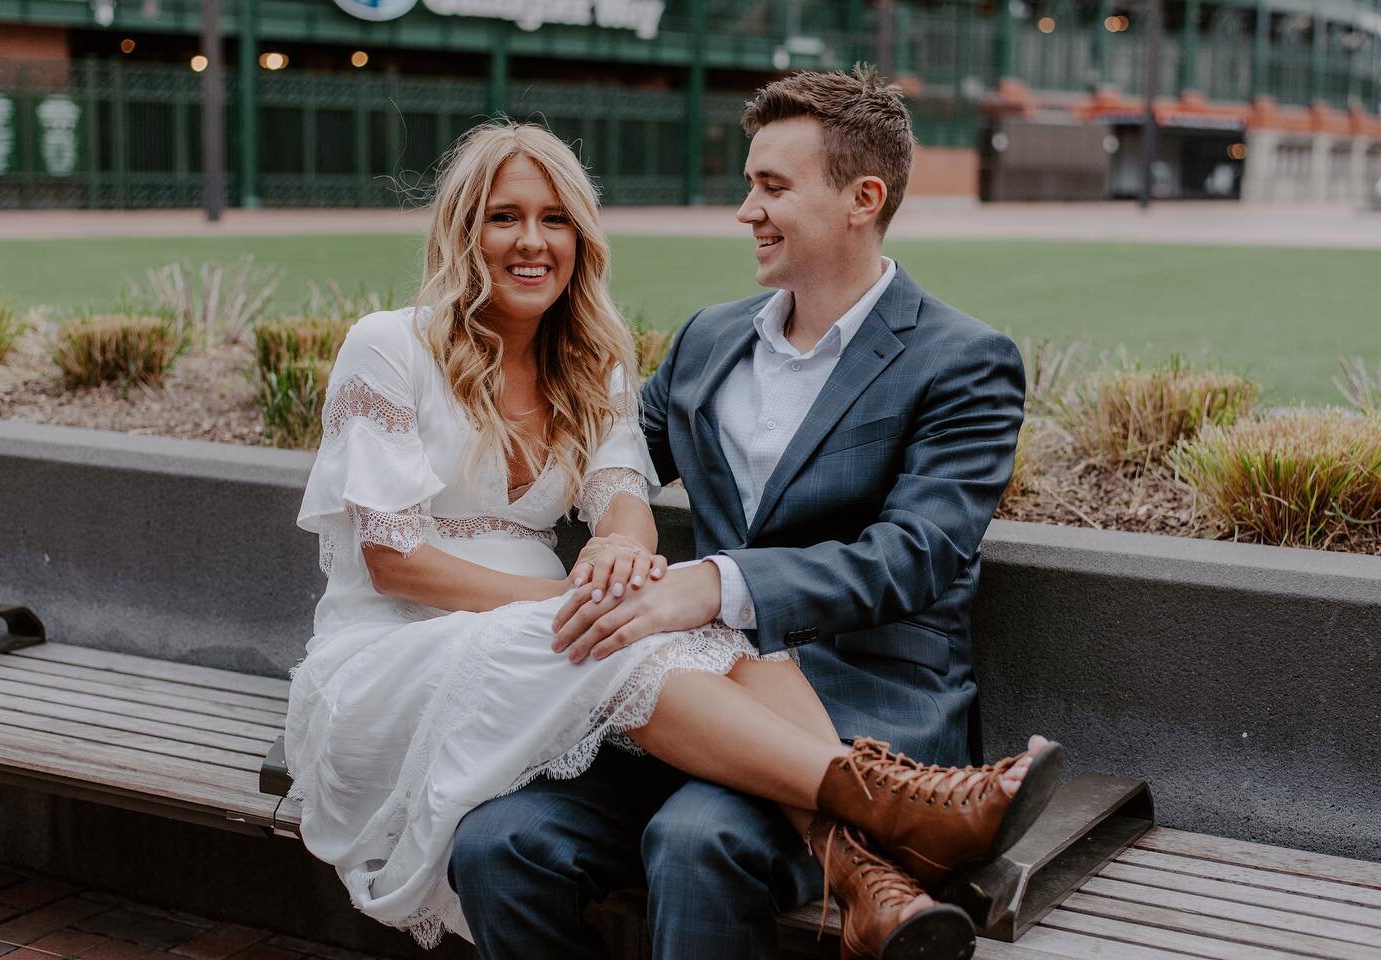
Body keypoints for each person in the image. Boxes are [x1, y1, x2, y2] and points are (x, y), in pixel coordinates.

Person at [286, 116, 1056, 960]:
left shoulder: (962, 359)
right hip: (582, 661)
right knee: (498, 844)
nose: (743, 210)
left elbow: (916, 555)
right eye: (504, 217)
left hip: (850, 691)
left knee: (696, 835)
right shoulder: (705, 344)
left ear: (861, 201)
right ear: (462, 229)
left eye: (771, 186)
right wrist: (626, 592)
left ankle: (875, 825)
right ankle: (888, 823)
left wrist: (693, 580)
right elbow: (422, 547)